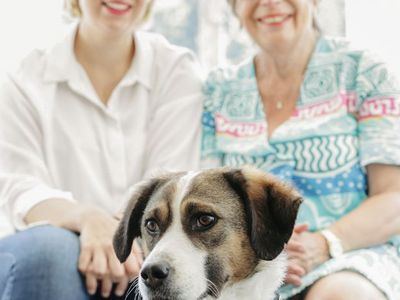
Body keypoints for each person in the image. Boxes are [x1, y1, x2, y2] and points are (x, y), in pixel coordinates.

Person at [0, 0, 203, 299]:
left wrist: (117, 234)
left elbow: (169, 177)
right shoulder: (24, 77)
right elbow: (19, 186)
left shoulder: (176, 70)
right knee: (48, 253)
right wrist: (89, 219)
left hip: (141, 249)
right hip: (46, 253)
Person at [201, 0, 400, 299]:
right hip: (252, 261)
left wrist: (323, 244)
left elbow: (393, 197)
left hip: (351, 255)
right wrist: (262, 255)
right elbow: (207, 202)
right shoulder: (217, 90)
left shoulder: (363, 72)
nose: (269, 3)